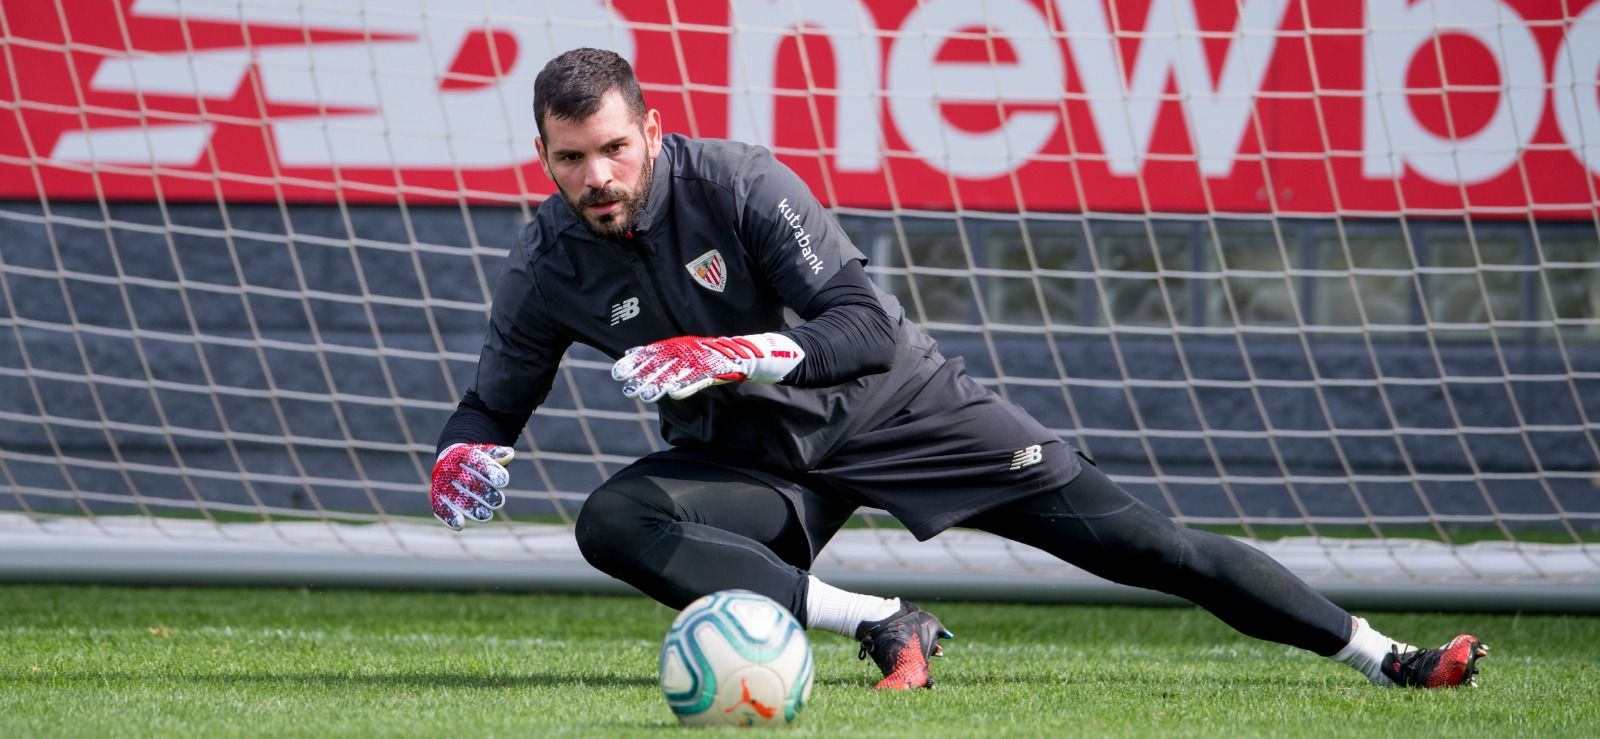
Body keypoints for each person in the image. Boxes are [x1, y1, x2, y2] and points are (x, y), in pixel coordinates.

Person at [429, 47, 1488, 691]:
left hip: (898, 409)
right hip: (757, 464)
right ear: (545, 157)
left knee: (1146, 545)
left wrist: (740, 351)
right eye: (571, 157)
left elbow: (863, 326)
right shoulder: (546, 260)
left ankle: (1386, 656)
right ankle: (880, 621)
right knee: (615, 521)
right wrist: (464, 448)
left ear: (652, 131)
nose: (597, 176)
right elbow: (495, 395)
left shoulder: (740, 184)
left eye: (613, 147)